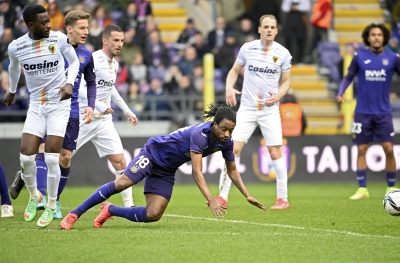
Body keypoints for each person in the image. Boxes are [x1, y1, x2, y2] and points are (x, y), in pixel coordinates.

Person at [60, 103, 266, 230]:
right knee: (122, 183)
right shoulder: (199, 135)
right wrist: (211, 200)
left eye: (231, 130)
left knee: (153, 215)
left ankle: (110, 210)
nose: (227, 134)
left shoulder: (226, 142)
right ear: (214, 124)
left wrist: (246, 195)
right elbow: (196, 171)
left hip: (167, 169)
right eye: (224, 129)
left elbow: (232, 170)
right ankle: (74, 215)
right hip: (152, 153)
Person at [8, 10, 96, 220]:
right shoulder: (16, 46)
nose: (49, 25)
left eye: (49, 21)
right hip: (37, 105)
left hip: (60, 106)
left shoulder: (58, 39)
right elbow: (13, 68)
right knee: (26, 157)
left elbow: (74, 63)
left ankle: (50, 204)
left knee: (52, 157)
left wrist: (68, 83)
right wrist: (11, 90)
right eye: (44, 23)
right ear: (30, 25)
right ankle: (34, 195)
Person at [216, 14, 292, 210]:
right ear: (259, 29)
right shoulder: (247, 48)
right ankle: (223, 196)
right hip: (248, 109)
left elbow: (286, 82)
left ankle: (282, 199)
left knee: (275, 151)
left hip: (269, 110)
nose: (268, 30)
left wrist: (278, 96)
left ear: (276, 30)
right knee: (232, 150)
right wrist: (229, 87)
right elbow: (234, 70)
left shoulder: (283, 53)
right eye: (265, 26)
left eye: (272, 27)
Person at [74, 24, 139, 208]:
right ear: (105, 40)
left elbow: (111, 89)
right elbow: (81, 88)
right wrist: (100, 105)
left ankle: (129, 205)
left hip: (104, 121)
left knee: (120, 161)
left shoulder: (115, 64)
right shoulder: (92, 59)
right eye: (116, 40)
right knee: (62, 157)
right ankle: (38, 190)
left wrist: (127, 110)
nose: (120, 44)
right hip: (85, 116)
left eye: (122, 41)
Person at [336, 23, 399, 199]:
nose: (376, 37)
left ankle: (391, 188)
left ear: (384, 37)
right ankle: (362, 189)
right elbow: (348, 77)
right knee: (362, 149)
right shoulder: (359, 57)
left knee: (388, 148)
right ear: (368, 37)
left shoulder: (393, 58)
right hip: (362, 112)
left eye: (379, 34)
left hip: (383, 112)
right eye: (373, 34)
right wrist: (341, 92)